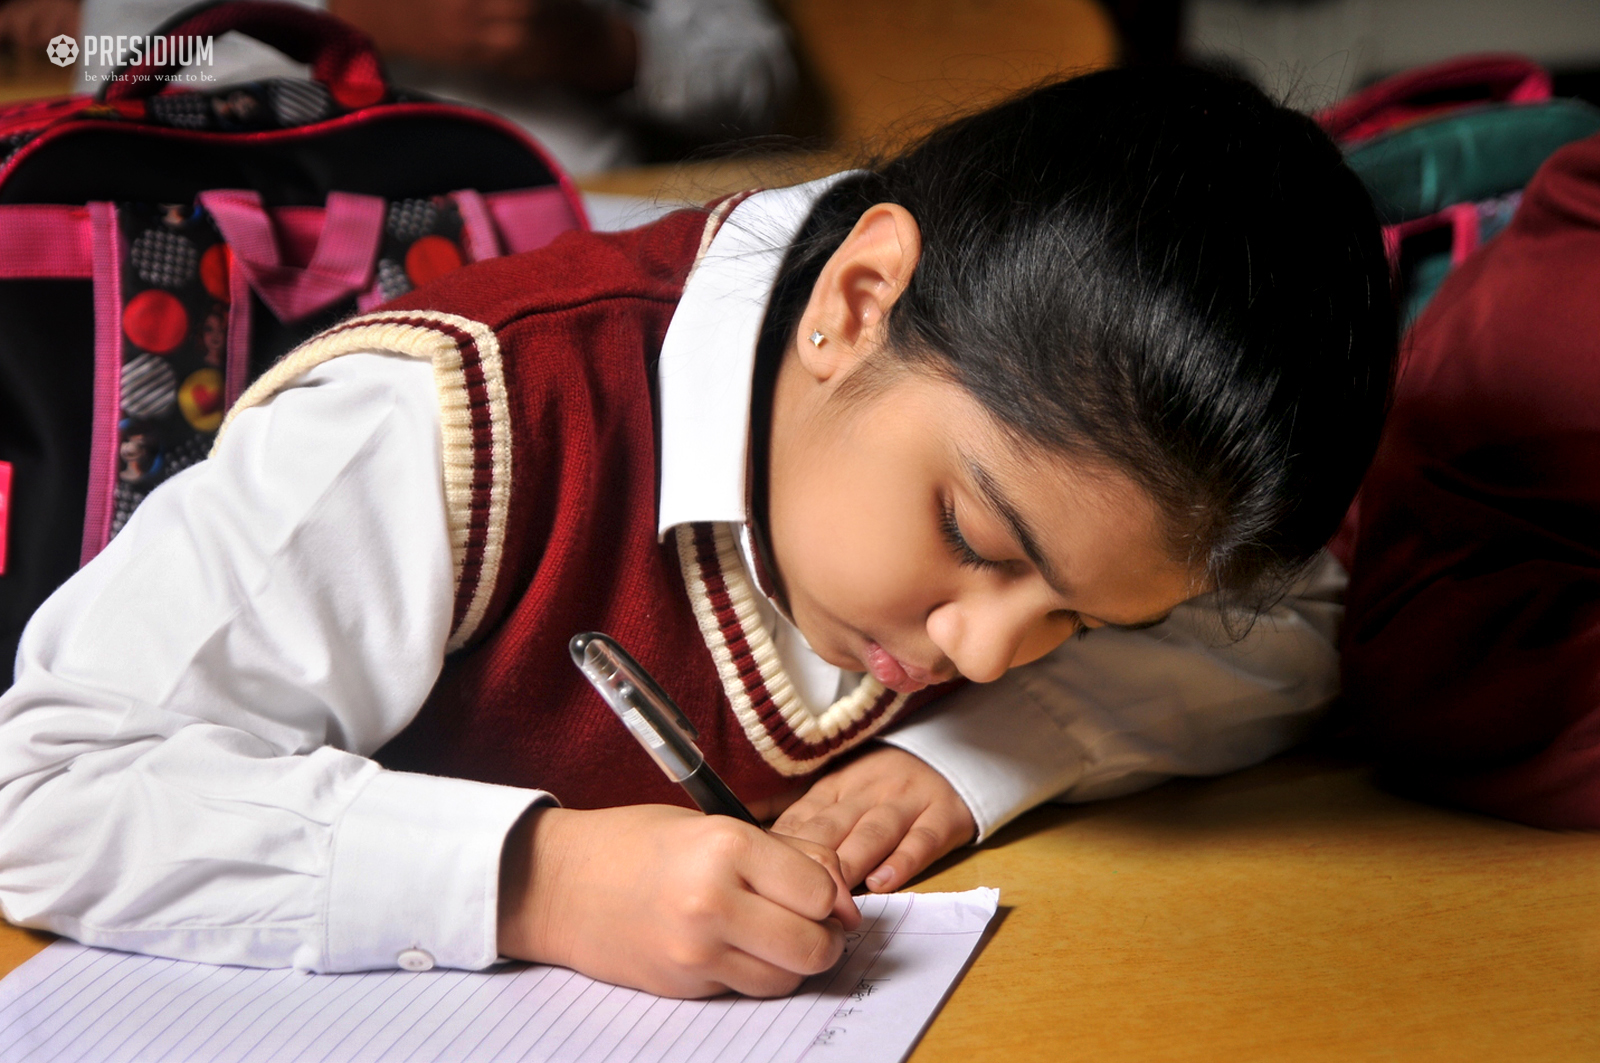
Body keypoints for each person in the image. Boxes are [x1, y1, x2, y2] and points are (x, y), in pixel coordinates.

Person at [0, 67, 1396, 998]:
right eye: (976, 534)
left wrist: (977, 755)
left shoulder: (1043, 467)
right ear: (853, 302)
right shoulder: (447, 422)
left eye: (1086, 620)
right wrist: (536, 879)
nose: (987, 642)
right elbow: (50, 781)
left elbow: (1310, 622)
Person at [76, 0, 797, 174]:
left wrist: (601, 47)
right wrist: (336, 17)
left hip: (580, 218)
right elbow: (115, 96)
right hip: (270, 256)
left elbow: (764, 80)